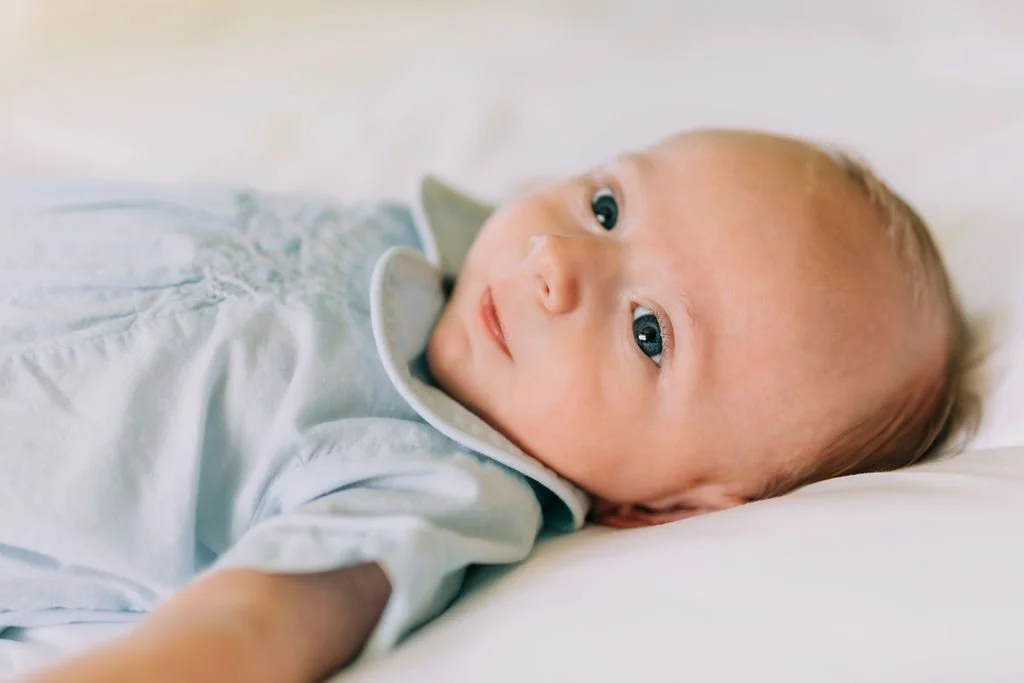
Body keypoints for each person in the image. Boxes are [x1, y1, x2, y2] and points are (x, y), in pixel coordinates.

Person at [5, 129, 976, 683]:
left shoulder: (434, 482)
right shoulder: (418, 237)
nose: (557, 263)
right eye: (605, 208)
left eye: (649, 333)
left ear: (666, 505)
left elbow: (252, 626)